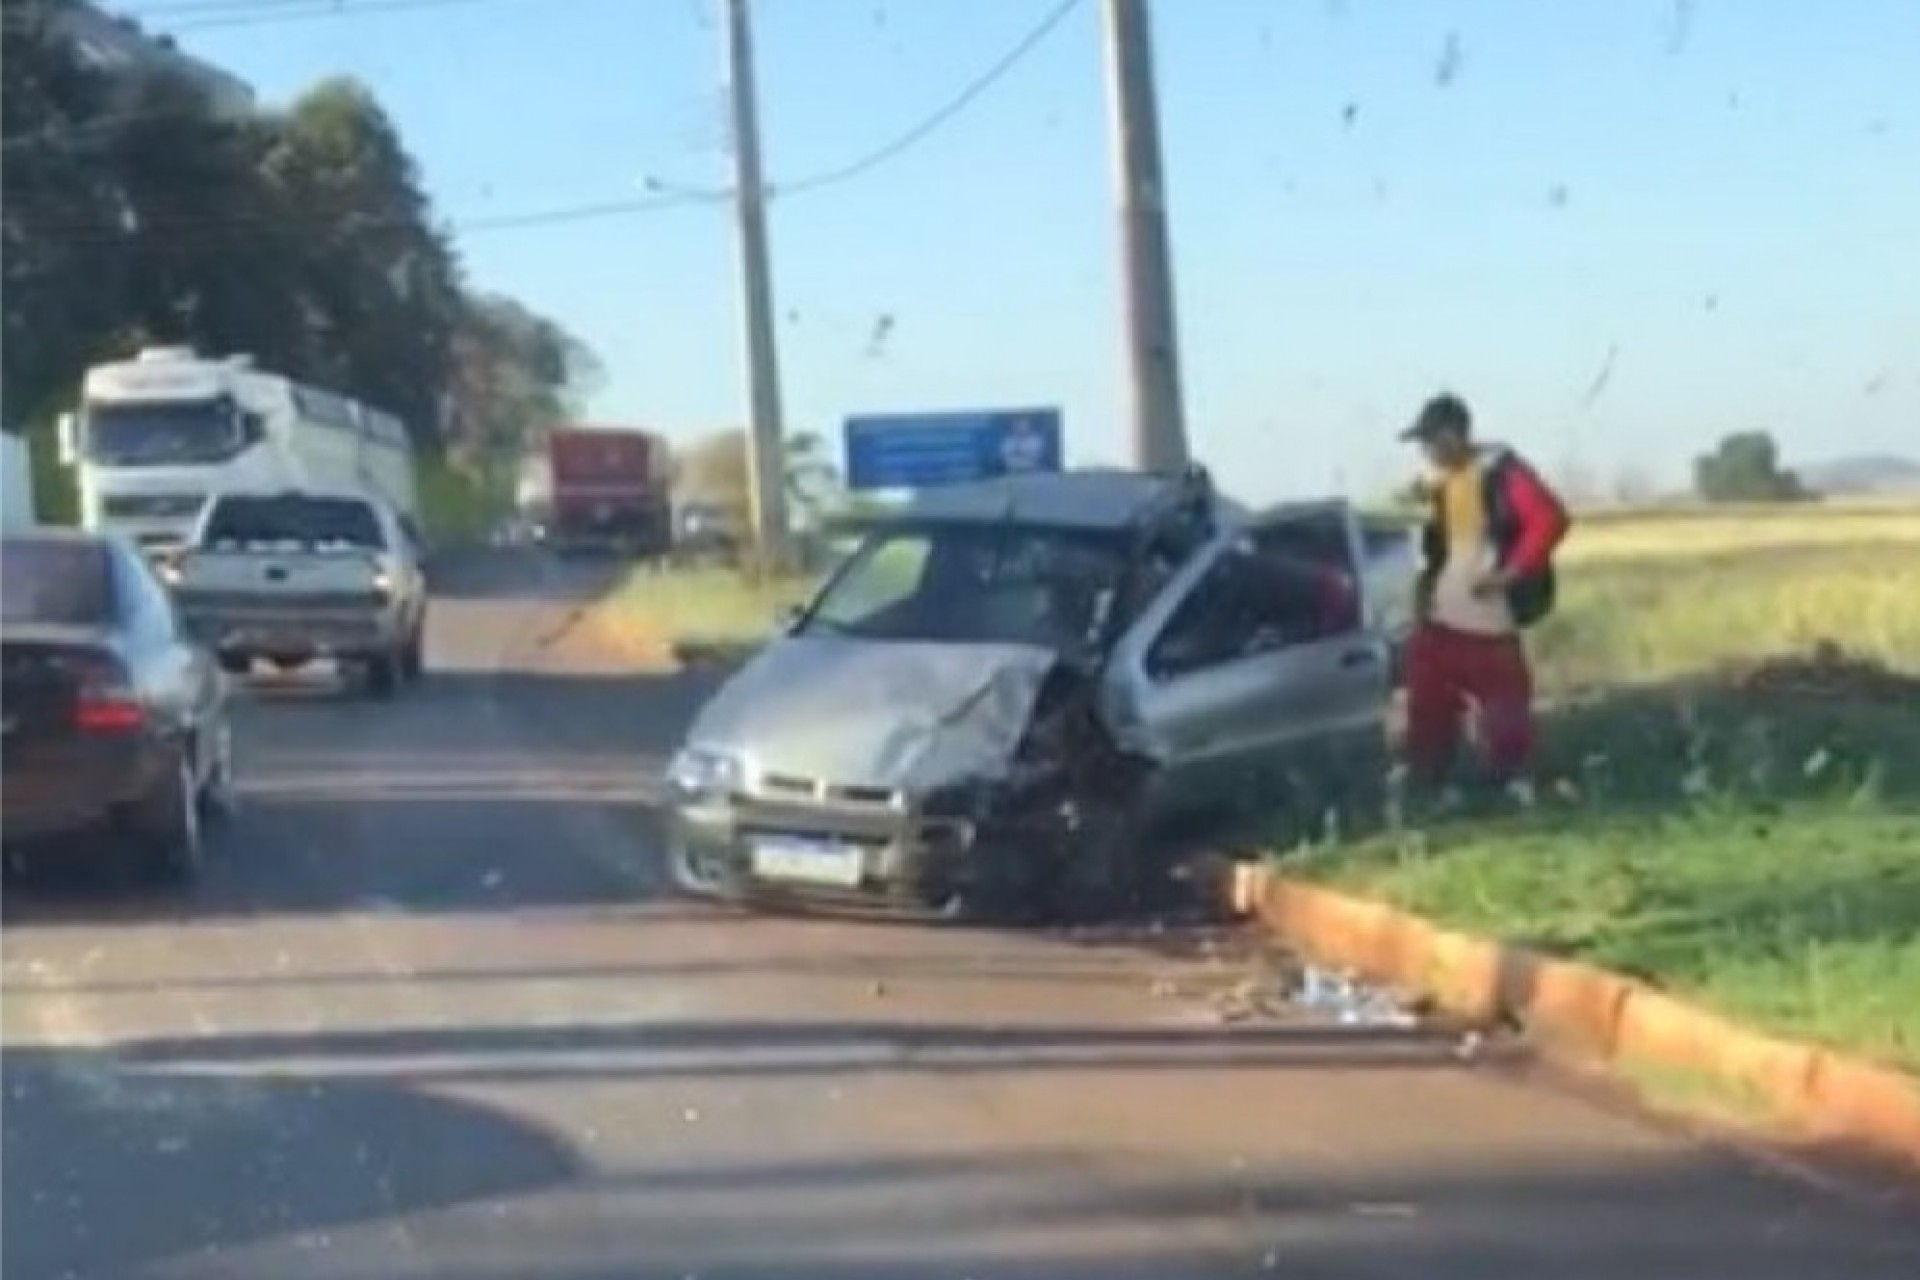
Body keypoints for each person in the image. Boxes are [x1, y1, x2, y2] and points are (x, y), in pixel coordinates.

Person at [1399, 393, 1570, 809]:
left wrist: (1509, 575)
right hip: (1444, 612)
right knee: (1429, 701)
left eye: (1430, 441)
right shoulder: (1439, 484)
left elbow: (1549, 519)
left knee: (1504, 701)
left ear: (1454, 436)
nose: (1426, 452)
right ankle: (1434, 786)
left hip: (1488, 614)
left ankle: (1512, 783)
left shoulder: (1499, 471)